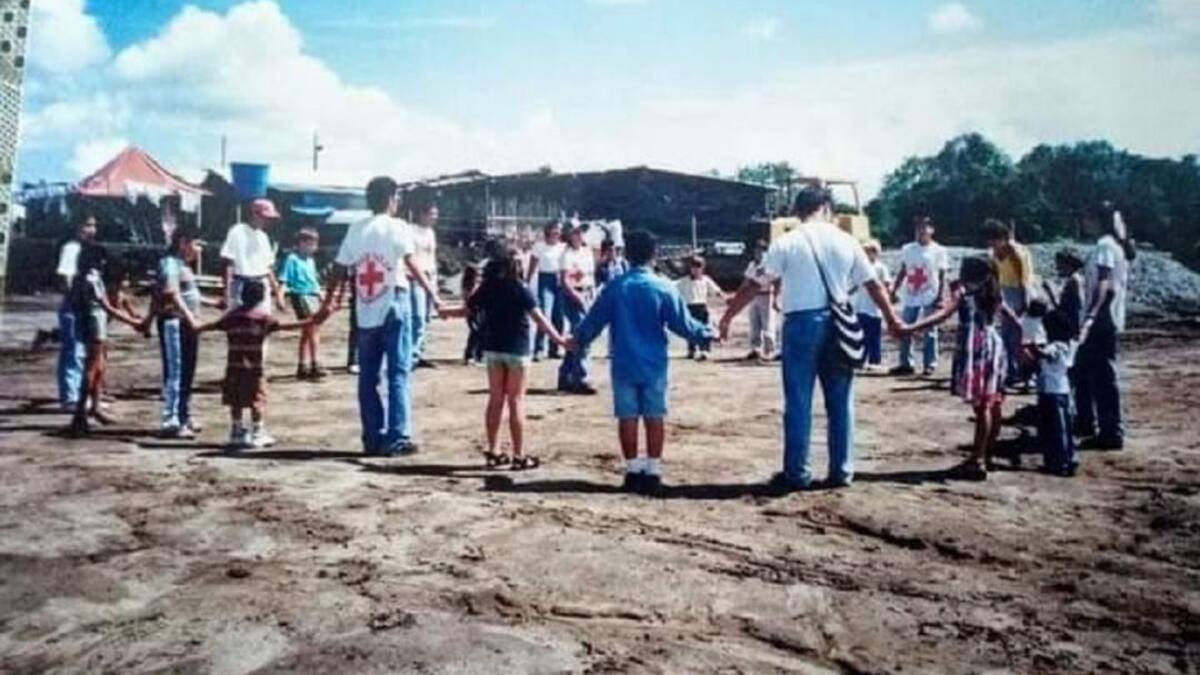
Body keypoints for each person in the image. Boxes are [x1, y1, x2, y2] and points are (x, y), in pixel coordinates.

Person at [720, 186, 903, 491]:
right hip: (841, 321)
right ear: (827, 208)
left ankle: (797, 473)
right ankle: (842, 471)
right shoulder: (847, 241)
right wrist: (892, 319)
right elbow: (873, 285)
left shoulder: (787, 242)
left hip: (801, 324)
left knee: (799, 401)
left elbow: (755, 284)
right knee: (840, 400)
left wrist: (728, 316)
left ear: (797, 210)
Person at [568, 230, 714, 495]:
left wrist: (577, 341)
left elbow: (594, 320)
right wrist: (707, 334)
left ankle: (633, 469)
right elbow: (683, 324)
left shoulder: (616, 286)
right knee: (655, 415)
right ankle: (654, 469)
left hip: (623, 361)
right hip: (654, 362)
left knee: (627, 416)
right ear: (653, 254)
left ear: (627, 254)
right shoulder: (663, 286)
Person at [320, 176, 442, 456]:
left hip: (365, 306)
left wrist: (328, 303)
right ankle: (397, 435)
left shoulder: (356, 229)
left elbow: (339, 268)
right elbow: (412, 264)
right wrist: (434, 297)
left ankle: (372, 436)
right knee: (398, 373)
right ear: (391, 199)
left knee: (368, 377)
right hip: (394, 301)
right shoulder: (398, 227)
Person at [443, 249, 567, 469]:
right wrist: (559, 339)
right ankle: (519, 455)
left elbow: (466, 310)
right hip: (517, 349)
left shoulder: (488, 287)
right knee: (516, 401)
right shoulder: (520, 288)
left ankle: (493, 450)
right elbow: (539, 318)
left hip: (493, 349)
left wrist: (444, 311)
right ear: (513, 265)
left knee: (495, 400)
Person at [902, 257, 1021, 481]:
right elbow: (1014, 320)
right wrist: (1020, 346)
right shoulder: (994, 293)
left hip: (974, 348)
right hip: (993, 346)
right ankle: (985, 454)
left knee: (982, 407)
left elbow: (943, 314)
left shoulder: (965, 294)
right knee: (993, 404)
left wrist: (911, 328)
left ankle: (976, 461)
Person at [189, 280, 327, 451]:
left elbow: (212, 325)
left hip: (233, 366)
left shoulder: (232, 317)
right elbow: (286, 326)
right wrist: (311, 321)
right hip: (254, 367)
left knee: (236, 400)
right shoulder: (263, 319)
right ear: (262, 298)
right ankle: (257, 432)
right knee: (257, 400)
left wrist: (197, 327)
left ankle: (236, 432)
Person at [66, 244, 145, 436]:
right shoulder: (92, 278)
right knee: (92, 367)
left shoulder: (84, 277)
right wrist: (134, 322)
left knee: (98, 365)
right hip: (95, 322)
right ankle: (80, 413)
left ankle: (91, 407)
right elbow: (107, 307)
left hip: (92, 321)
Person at [1075, 202, 1134, 451]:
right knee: (1087, 373)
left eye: (1087, 218)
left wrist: (1090, 317)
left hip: (1102, 320)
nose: (1084, 223)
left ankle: (1111, 431)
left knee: (1101, 376)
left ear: (1097, 219)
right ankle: (1090, 422)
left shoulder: (1104, 247)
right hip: (1105, 319)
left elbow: (1104, 285)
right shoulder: (1111, 246)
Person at [150, 225, 215, 438]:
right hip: (175, 323)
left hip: (187, 324)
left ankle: (184, 414)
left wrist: (213, 302)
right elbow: (172, 293)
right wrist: (190, 318)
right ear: (183, 242)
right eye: (196, 244)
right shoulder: (170, 264)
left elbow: (190, 294)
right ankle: (171, 419)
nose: (199, 250)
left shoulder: (183, 265)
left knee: (188, 371)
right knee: (176, 371)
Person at [890, 216, 950, 377]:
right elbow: (903, 270)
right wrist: (894, 289)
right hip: (911, 294)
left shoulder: (939, 250)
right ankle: (906, 363)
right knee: (905, 327)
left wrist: (940, 296)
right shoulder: (908, 249)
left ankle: (930, 363)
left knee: (930, 330)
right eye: (918, 228)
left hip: (930, 293)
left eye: (925, 227)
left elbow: (943, 274)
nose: (921, 231)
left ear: (932, 230)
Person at [983, 219, 1039, 386]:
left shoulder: (1016, 252)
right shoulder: (993, 253)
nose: (991, 243)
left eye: (993, 239)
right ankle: (1012, 371)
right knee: (1007, 336)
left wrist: (1024, 303)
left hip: (1020, 291)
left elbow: (1023, 279)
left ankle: (1028, 374)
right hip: (1004, 291)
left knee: (1021, 335)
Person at [1034, 311, 1084, 477]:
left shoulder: (1055, 347)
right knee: (1065, 428)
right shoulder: (1069, 345)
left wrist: (1031, 347)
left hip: (1051, 392)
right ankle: (1069, 457)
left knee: (1054, 429)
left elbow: (1044, 355)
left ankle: (1058, 461)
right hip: (1063, 390)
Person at [55, 212, 96, 410]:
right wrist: (75, 300)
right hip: (73, 307)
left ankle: (77, 393)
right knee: (73, 351)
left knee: (78, 351)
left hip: (83, 306)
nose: (92, 230)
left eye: (93, 226)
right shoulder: (71, 248)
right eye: (87, 225)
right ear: (77, 227)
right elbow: (66, 278)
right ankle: (70, 396)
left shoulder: (87, 249)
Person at [220, 198, 286, 313]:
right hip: (241, 283)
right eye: (265, 218)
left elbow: (268, 268)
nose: (267, 221)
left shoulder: (263, 237)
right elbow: (228, 263)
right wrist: (226, 291)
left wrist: (277, 294)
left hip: (261, 284)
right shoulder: (237, 231)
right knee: (237, 322)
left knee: (261, 321)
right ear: (255, 214)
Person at [278, 228, 326, 380]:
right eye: (310, 244)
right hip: (299, 295)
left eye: (314, 244)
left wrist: (320, 293)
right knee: (312, 328)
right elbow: (284, 279)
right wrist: (280, 296)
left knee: (307, 332)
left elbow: (313, 280)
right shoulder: (292, 259)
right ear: (300, 243)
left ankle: (302, 365)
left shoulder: (311, 261)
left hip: (312, 296)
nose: (313, 248)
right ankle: (315, 363)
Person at [557, 224, 598, 394]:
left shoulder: (586, 252)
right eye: (576, 232)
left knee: (577, 334)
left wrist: (592, 294)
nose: (580, 235)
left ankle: (565, 375)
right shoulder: (566, 255)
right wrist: (578, 297)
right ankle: (580, 377)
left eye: (581, 232)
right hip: (573, 295)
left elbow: (590, 275)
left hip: (586, 291)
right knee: (582, 336)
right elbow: (565, 281)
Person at [525, 221, 566, 360]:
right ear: (548, 230)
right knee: (544, 314)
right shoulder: (539, 246)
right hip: (545, 279)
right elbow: (533, 264)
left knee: (558, 316)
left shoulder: (563, 247)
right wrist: (527, 280)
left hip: (560, 280)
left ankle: (554, 349)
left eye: (559, 230)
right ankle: (539, 348)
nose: (558, 232)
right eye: (555, 229)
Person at [675, 255, 725, 361]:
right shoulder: (684, 281)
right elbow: (673, 287)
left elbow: (715, 290)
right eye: (693, 267)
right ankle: (691, 350)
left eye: (698, 267)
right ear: (690, 268)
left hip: (701, 306)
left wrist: (721, 295)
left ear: (702, 268)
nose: (696, 269)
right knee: (690, 330)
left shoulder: (706, 280)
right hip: (689, 307)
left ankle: (704, 350)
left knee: (704, 329)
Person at [409, 198, 440, 369]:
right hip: (416, 277)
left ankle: (419, 351)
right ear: (422, 214)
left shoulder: (430, 233)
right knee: (418, 316)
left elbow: (432, 256)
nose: (434, 218)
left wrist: (434, 280)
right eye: (431, 214)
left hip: (430, 274)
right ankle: (412, 355)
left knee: (427, 317)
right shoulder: (411, 231)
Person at [854, 239, 891, 371]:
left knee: (874, 336)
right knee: (861, 335)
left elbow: (886, 284)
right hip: (860, 306)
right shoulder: (861, 268)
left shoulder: (881, 268)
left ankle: (875, 360)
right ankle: (861, 360)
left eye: (870, 251)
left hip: (875, 308)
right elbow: (855, 284)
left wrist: (888, 299)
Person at [739, 240, 777, 361]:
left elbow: (776, 280)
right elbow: (746, 281)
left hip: (766, 295)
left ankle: (769, 350)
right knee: (754, 322)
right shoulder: (752, 264)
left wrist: (776, 297)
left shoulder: (769, 264)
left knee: (768, 323)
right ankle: (755, 349)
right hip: (753, 296)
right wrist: (738, 295)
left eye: (761, 250)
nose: (758, 253)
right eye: (757, 250)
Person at [1043, 250, 1086, 340]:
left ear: (1069, 266)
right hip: (1069, 324)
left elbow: (1078, 307)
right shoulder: (1073, 280)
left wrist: (1050, 292)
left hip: (1069, 327)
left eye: (1060, 265)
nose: (1057, 268)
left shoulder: (1074, 281)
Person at [460, 262, 485, 366]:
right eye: (477, 274)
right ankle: (469, 355)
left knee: (481, 332)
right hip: (472, 311)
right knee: (475, 332)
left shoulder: (480, 284)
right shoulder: (468, 285)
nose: (479, 276)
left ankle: (479, 355)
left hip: (479, 311)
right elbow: (468, 298)